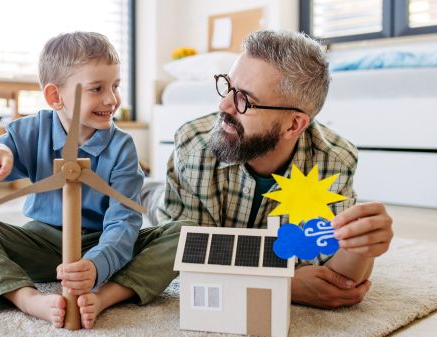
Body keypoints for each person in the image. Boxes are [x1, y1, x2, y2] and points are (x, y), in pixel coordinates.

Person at [86, 29, 395, 318]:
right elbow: (181, 257)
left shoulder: (334, 161)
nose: (223, 104)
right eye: (228, 86)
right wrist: (285, 285)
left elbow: (334, 277)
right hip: (166, 200)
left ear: (294, 125)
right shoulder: (194, 144)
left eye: (245, 100)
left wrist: (363, 246)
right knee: (139, 199)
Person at [0, 31, 182, 329]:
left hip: (102, 240)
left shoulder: (122, 148)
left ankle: (108, 295)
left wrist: (97, 265)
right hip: (42, 242)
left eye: (115, 86)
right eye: (96, 88)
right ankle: (25, 297)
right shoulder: (32, 131)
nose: (112, 99)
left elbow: (123, 222)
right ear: (55, 96)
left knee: (186, 233)